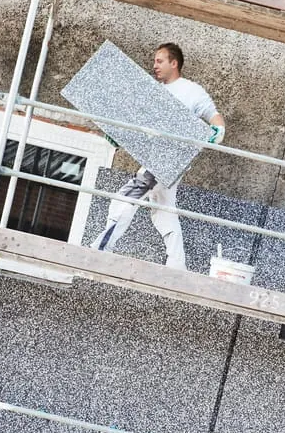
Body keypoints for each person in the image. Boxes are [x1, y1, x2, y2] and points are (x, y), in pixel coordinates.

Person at [91, 42, 225, 270]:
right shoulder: (154, 91)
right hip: (155, 158)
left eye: (159, 61)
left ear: (174, 63)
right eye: (155, 61)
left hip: (170, 158)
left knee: (126, 197)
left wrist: (217, 133)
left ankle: (101, 248)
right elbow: (137, 124)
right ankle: (177, 265)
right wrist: (118, 137)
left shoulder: (192, 91)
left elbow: (215, 118)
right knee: (164, 211)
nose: (155, 66)